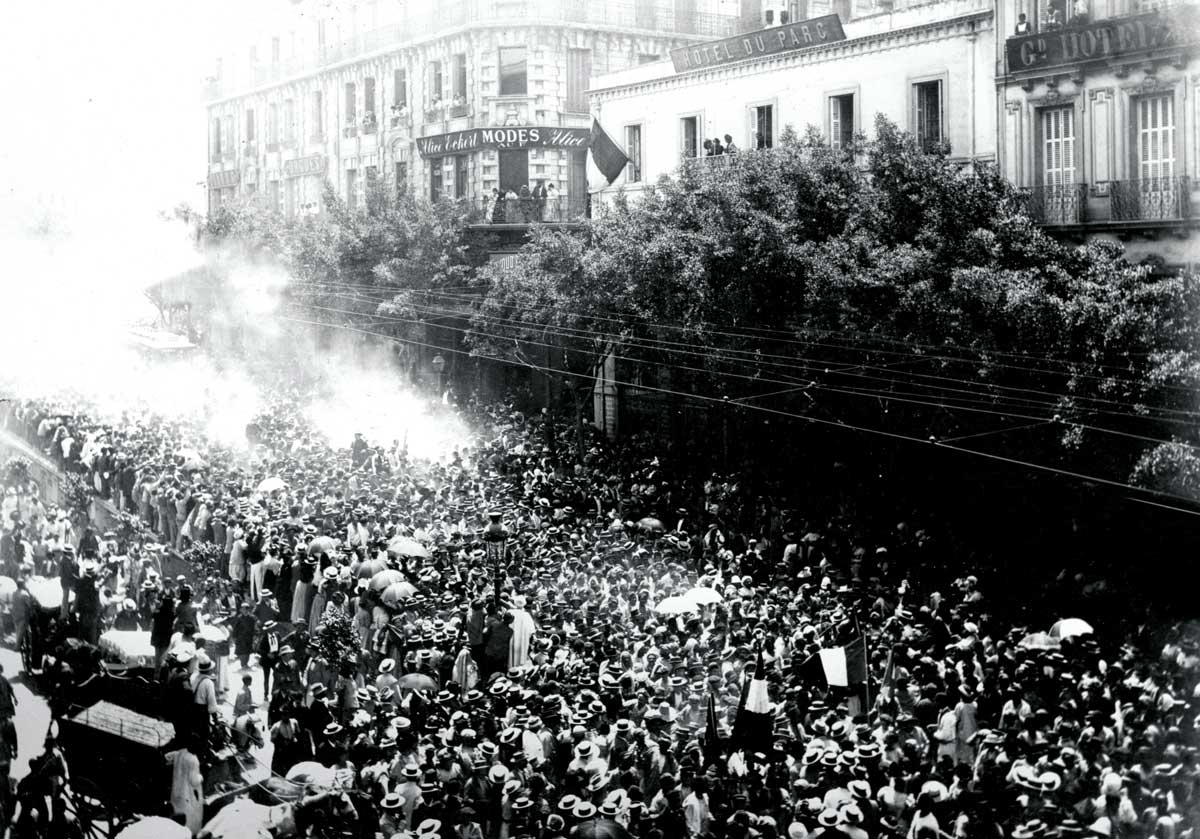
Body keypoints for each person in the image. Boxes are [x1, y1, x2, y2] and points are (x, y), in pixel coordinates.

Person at [169, 738, 205, 834]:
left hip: (177, 789)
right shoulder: (193, 760)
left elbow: (168, 756)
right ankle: (190, 833)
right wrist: (201, 777)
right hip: (188, 794)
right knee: (190, 816)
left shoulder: (180, 753)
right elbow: (194, 781)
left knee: (177, 812)